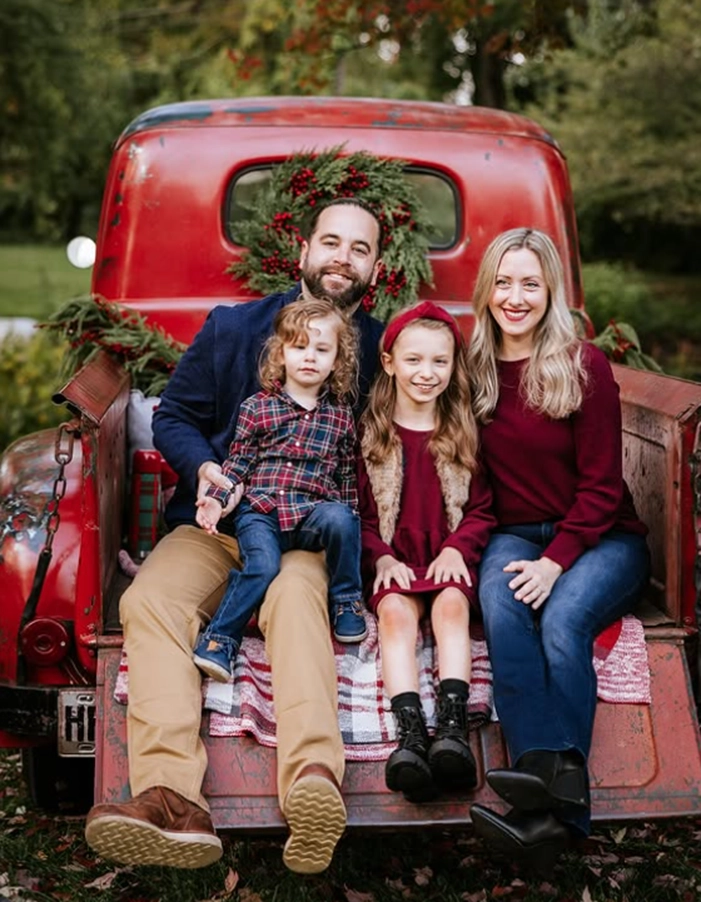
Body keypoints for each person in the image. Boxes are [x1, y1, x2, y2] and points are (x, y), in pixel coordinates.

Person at [84, 198, 385, 874]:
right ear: (304, 251)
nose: (342, 257)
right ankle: (170, 800)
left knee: (297, 603)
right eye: (330, 242)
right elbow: (177, 418)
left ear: (375, 266)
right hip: (216, 523)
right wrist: (209, 470)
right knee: (150, 603)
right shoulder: (232, 329)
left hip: (305, 536)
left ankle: (312, 780)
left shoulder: (383, 354)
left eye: (358, 247)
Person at [466, 228, 650, 868]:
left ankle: (551, 810)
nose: (515, 297)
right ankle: (549, 785)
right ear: (487, 287)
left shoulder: (582, 365)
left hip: (603, 537)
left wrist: (555, 562)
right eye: (504, 282)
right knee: (499, 599)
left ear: (552, 292)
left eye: (530, 284)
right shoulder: (475, 369)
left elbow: (602, 488)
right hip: (513, 532)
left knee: (564, 618)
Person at [357, 301, 495, 803]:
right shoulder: (370, 436)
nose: (427, 372)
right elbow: (359, 517)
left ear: (454, 366)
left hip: (446, 561)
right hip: (395, 562)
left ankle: (453, 729)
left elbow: (482, 508)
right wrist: (382, 558)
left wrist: (459, 548)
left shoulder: (463, 433)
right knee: (394, 613)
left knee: (454, 606)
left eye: (440, 361)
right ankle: (411, 734)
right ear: (390, 362)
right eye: (413, 360)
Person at [193, 297, 367, 684]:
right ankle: (221, 639)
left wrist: (350, 524)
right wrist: (216, 502)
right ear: (281, 352)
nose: (310, 357)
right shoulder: (257, 408)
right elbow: (237, 465)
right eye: (300, 346)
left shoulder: (340, 418)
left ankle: (346, 600)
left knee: (341, 518)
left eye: (322, 349)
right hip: (262, 512)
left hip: (311, 514)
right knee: (262, 566)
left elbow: (344, 480)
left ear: (337, 361)